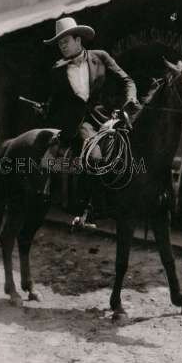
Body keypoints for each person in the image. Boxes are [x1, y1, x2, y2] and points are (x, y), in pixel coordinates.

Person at [39, 17, 139, 229]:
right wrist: (46, 109)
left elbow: (127, 81)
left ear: (78, 39)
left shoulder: (100, 57)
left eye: (65, 41)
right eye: (59, 43)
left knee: (131, 153)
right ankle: (87, 210)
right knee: (94, 156)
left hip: (107, 118)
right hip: (78, 125)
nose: (62, 46)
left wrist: (129, 103)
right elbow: (55, 100)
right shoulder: (57, 69)